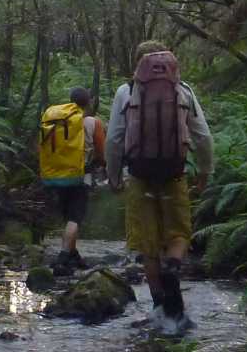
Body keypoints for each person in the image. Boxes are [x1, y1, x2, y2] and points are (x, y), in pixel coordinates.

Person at [105, 40, 212, 337]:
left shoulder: (126, 92)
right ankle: (174, 266)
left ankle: (160, 310)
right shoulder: (183, 90)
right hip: (175, 175)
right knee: (179, 232)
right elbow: (202, 136)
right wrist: (205, 170)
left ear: (136, 64)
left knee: (147, 244)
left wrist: (113, 176)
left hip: (139, 177)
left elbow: (114, 139)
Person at [38, 86, 101, 271]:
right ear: (88, 102)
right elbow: (101, 151)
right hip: (79, 176)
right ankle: (63, 256)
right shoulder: (92, 122)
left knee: (67, 216)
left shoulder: (58, 120)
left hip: (56, 173)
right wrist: (102, 166)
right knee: (75, 217)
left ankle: (74, 255)